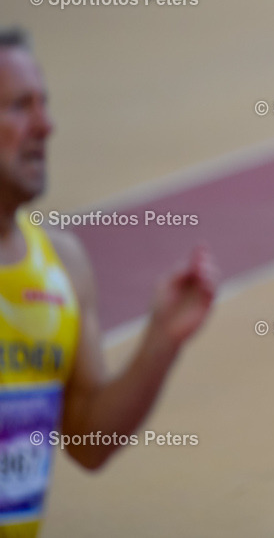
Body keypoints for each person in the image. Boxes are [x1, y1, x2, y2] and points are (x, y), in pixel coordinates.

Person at [0, 28, 218, 537]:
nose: (46, 125)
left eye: (44, 104)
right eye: (18, 107)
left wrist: (161, 340)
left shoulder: (62, 264)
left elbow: (88, 441)